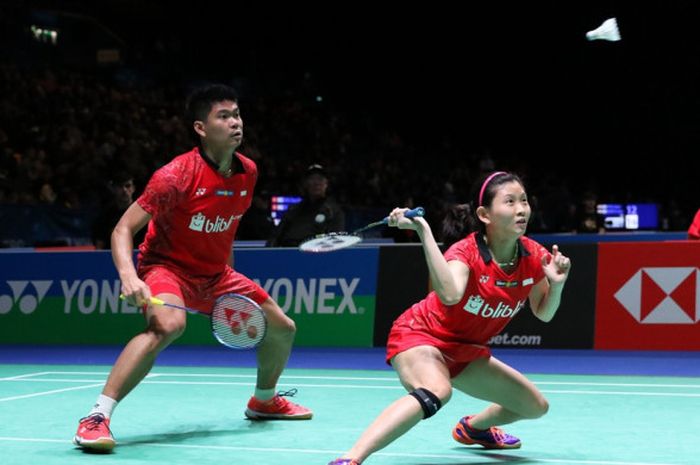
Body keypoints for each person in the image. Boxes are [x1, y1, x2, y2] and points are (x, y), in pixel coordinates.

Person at [73, 84, 312, 452]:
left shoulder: (247, 172)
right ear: (201, 127)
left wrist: (226, 292)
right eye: (224, 116)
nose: (236, 122)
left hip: (216, 274)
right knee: (168, 325)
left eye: (237, 114)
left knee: (282, 328)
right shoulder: (175, 176)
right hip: (166, 267)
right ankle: (96, 417)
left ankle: (263, 401)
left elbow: (225, 228)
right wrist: (129, 276)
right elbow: (122, 228)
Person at [328, 171, 571, 465]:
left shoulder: (534, 256)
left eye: (523, 200)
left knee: (535, 406)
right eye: (509, 202)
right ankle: (351, 459)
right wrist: (423, 231)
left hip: (465, 350)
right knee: (436, 391)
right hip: (421, 336)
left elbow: (544, 313)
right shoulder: (465, 252)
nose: (521, 209)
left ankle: (473, 429)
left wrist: (557, 285)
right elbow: (450, 295)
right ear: (484, 214)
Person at [267, 164, 345, 247]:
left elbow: (335, 242)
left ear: (326, 184)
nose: (316, 183)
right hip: (289, 253)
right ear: (306, 183)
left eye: (320, 179)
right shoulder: (293, 209)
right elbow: (275, 237)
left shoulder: (334, 212)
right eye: (312, 178)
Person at [91, 171, 145, 249]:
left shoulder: (143, 214)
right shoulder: (105, 216)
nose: (124, 190)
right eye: (120, 186)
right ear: (113, 189)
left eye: (128, 186)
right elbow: (99, 246)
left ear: (133, 188)